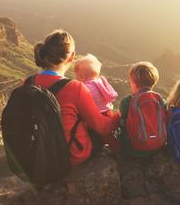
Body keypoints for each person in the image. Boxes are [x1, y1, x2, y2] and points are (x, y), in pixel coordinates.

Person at [32, 29, 120, 166]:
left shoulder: (27, 82)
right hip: (69, 156)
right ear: (72, 57)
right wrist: (120, 114)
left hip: (34, 153)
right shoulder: (75, 88)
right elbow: (103, 128)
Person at [118, 61, 167, 157]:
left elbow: (121, 122)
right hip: (158, 147)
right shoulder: (161, 101)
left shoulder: (126, 102)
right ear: (154, 82)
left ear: (133, 82)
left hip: (133, 150)